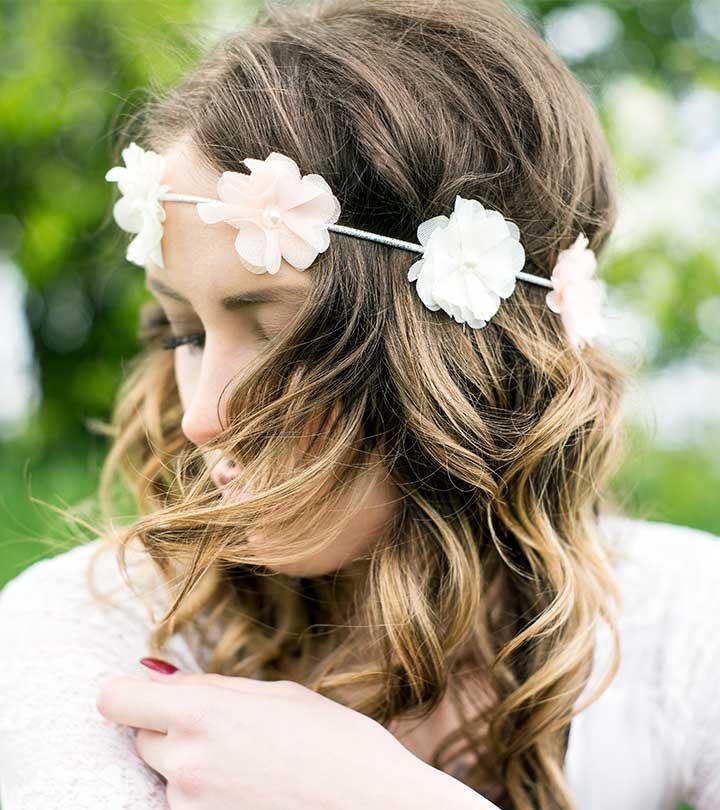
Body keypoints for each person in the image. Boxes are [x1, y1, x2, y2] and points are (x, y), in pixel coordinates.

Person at [1, 0, 718, 808]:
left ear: (457, 361)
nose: (201, 417)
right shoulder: (84, 633)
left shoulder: (686, 623)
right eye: (183, 333)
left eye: (273, 333)